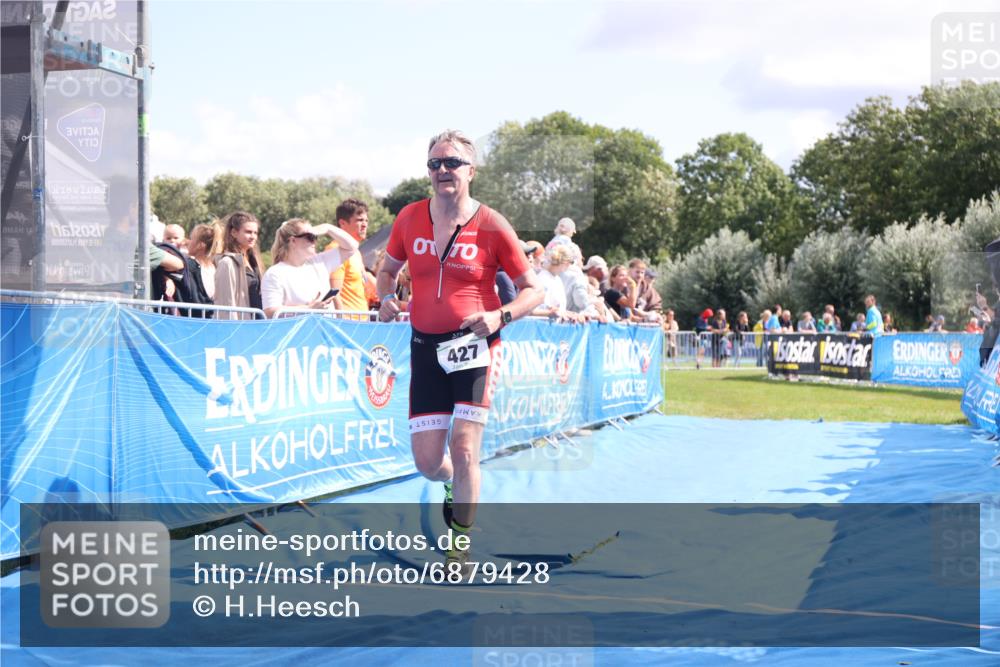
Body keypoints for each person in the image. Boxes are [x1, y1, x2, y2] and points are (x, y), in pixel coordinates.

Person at [376, 130, 543, 568]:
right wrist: (387, 298)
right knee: (430, 463)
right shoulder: (409, 217)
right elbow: (387, 269)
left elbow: (533, 291)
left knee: (465, 446)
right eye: (434, 164)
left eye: (451, 163)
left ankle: (460, 545)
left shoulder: (491, 223)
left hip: (474, 346)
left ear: (471, 170)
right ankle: (451, 483)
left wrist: (499, 316)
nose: (442, 171)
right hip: (425, 348)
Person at [261, 218, 359, 318]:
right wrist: (308, 309)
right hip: (298, 332)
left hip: (325, 331)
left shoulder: (320, 262)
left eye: (315, 236)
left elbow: (352, 247)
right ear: (293, 240)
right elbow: (269, 311)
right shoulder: (274, 273)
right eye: (310, 236)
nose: (314, 241)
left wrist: (328, 228)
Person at [215, 211, 265, 320]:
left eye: (255, 233)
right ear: (234, 232)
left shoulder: (254, 261)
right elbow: (226, 303)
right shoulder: (227, 263)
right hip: (240, 326)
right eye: (248, 232)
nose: (253, 237)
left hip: (258, 323)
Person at [328, 198, 374, 316]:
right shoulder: (336, 250)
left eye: (366, 220)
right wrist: (341, 321)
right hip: (346, 324)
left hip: (361, 323)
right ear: (342, 223)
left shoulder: (356, 252)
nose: (364, 225)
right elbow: (334, 292)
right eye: (359, 220)